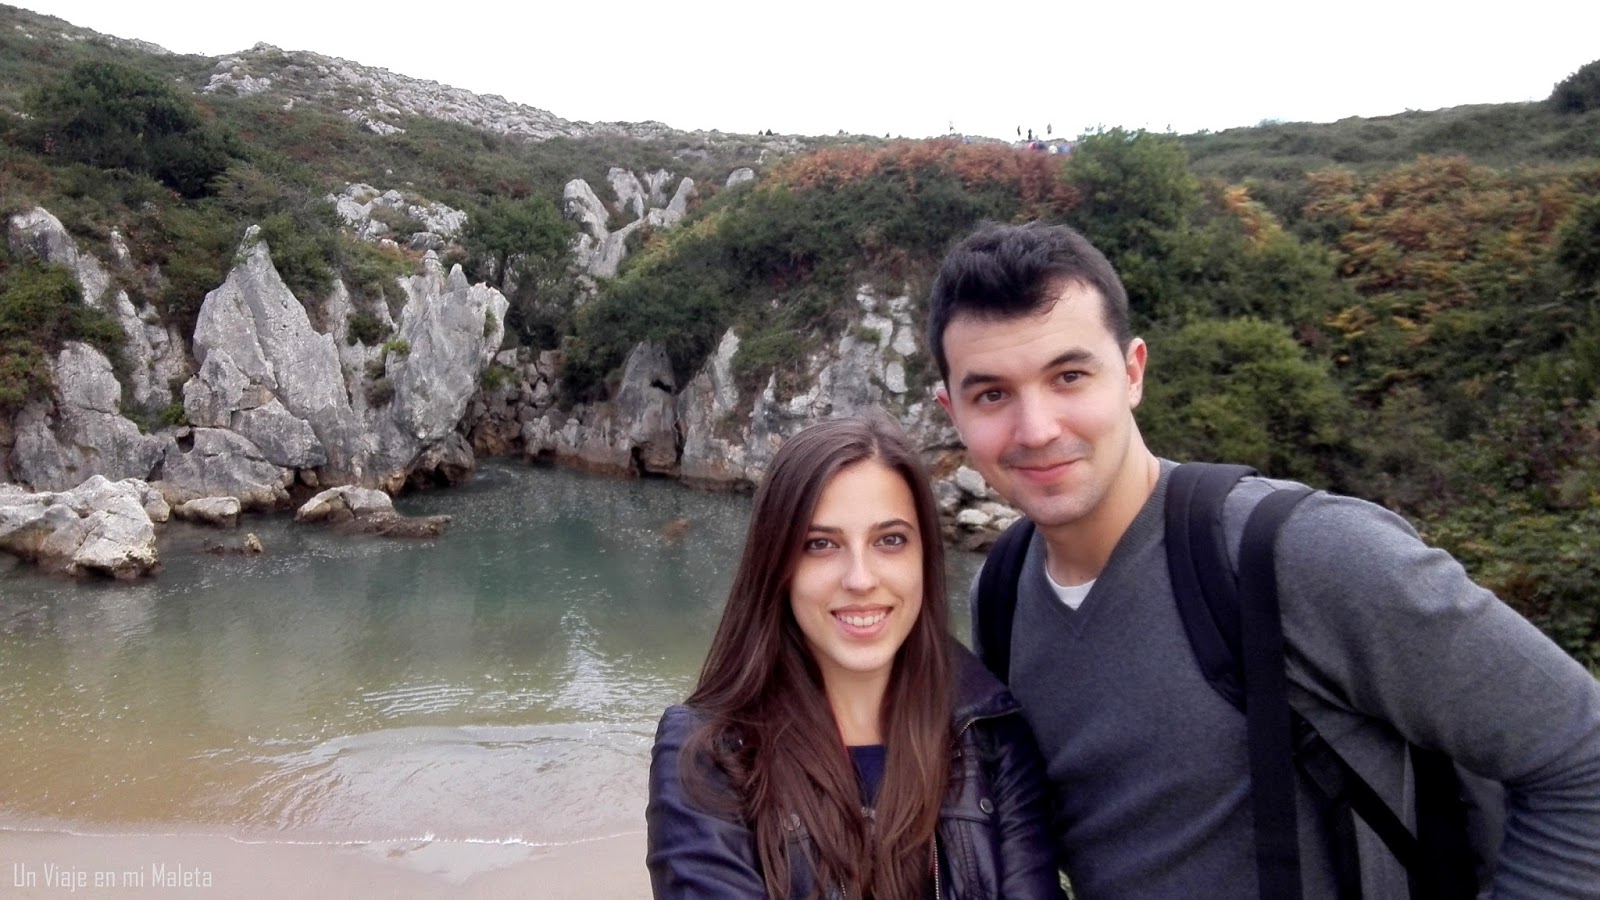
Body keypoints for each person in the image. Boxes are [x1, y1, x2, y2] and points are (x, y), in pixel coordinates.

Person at [925, 221, 1600, 898]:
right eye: (993, 395)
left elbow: (1580, 754)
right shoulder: (1002, 590)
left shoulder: (1300, 553)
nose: (1038, 429)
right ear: (952, 411)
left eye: (1070, 376)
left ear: (1132, 373)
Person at [646, 414, 1064, 899]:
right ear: (777, 565)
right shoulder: (708, 752)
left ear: (924, 556)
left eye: (890, 540)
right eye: (821, 545)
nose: (861, 579)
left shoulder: (991, 732)